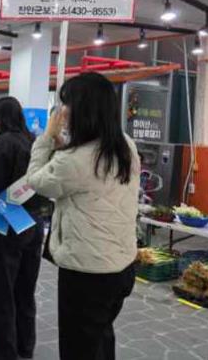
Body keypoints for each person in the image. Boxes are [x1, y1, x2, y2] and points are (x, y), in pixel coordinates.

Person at [26, 72, 140, 360]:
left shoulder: (75, 160)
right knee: (100, 338)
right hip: (121, 265)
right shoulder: (125, 145)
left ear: (84, 109)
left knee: (78, 349)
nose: (63, 111)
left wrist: (46, 139)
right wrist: (60, 144)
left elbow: (37, 180)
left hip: (87, 273)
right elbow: (79, 171)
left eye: (67, 104)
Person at [0, 97, 47, 360]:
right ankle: (25, 348)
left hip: (8, 223)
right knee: (25, 290)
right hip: (34, 222)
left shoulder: (3, 144)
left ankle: (2, 352)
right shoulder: (33, 142)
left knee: (3, 292)